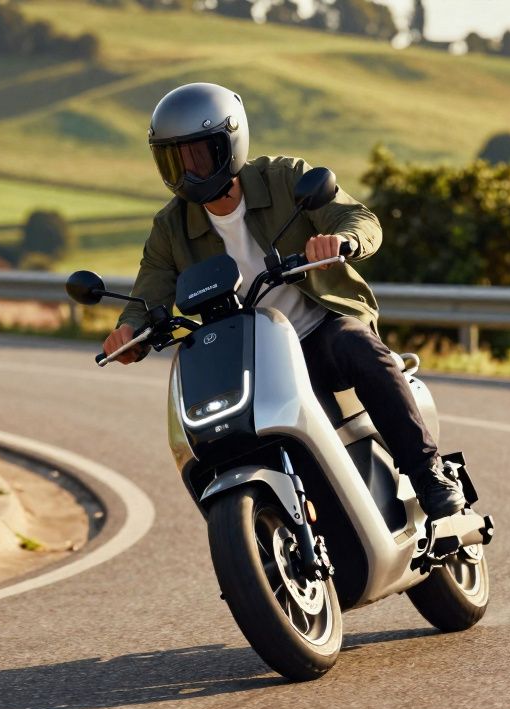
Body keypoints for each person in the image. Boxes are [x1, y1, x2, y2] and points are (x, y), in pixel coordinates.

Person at [101, 82, 464, 521]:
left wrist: (342, 240)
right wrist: (129, 330)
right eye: (174, 160)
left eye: (198, 155)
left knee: (359, 348)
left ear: (229, 145)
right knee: (206, 433)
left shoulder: (286, 178)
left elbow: (359, 218)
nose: (188, 172)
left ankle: (428, 474)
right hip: (245, 359)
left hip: (316, 334)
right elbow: (149, 289)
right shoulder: (169, 227)